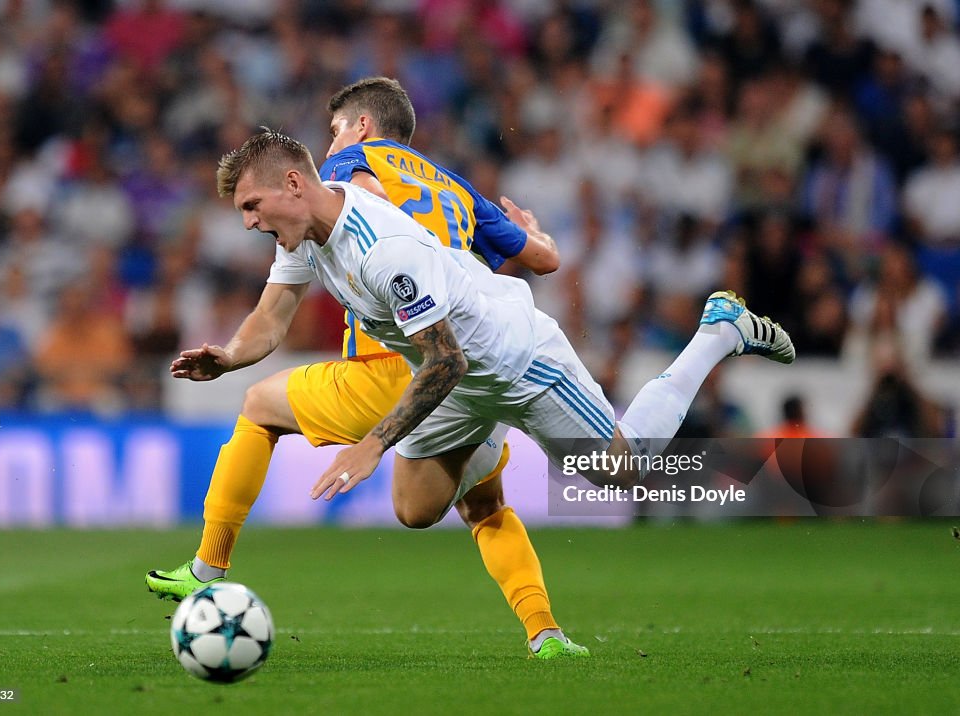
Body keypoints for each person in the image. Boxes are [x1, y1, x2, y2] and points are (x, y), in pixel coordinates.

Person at [193, 127, 794, 611]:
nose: (248, 221)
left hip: (516, 362)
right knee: (416, 511)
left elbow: (445, 360)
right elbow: (270, 321)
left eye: (251, 205)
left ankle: (717, 332)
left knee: (625, 473)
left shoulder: (382, 250)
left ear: (293, 184)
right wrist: (227, 357)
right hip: (455, 384)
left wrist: (371, 445)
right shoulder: (302, 234)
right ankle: (483, 433)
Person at [148, 78, 586, 659]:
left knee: (259, 406)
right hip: (472, 363)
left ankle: (206, 569)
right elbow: (544, 259)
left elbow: (367, 199)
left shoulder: (351, 171)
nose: (329, 146)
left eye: (334, 131)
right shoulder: (452, 184)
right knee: (481, 505)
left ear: (361, 127)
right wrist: (531, 230)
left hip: (405, 362)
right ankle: (546, 632)